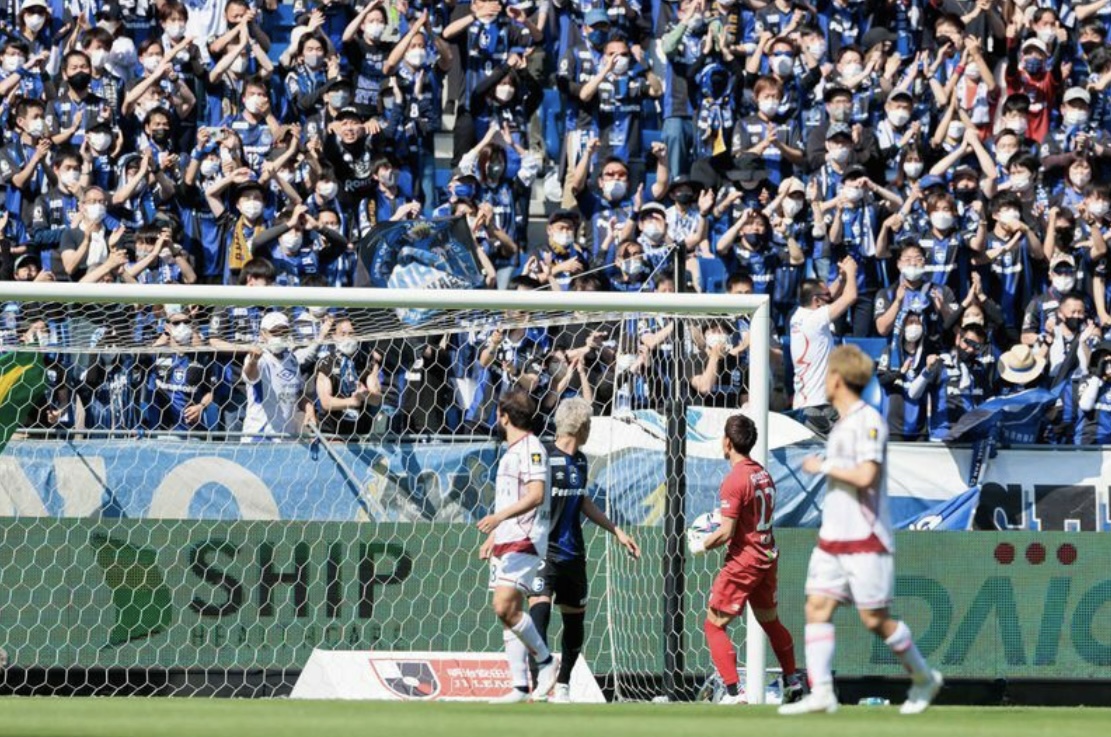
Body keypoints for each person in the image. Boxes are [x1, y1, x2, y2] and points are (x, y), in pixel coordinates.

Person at [781, 345, 943, 716]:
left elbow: (867, 475)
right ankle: (822, 692)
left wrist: (823, 467)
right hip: (833, 539)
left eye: (827, 374)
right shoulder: (842, 424)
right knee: (817, 606)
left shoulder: (868, 421)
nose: (824, 381)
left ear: (837, 379)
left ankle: (923, 677)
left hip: (866, 538)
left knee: (875, 620)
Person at [525, 397, 640, 704]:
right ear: (582, 427)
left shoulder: (580, 461)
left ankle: (562, 684)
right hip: (542, 551)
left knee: (574, 625)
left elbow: (583, 501)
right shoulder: (542, 456)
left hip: (573, 554)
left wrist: (616, 531)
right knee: (538, 614)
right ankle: (540, 681)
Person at [688, 413, 805, 706]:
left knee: (714, 626)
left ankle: (733, 693)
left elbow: (726, 532)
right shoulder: (763, 474)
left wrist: (702, 544)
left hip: (744, 561)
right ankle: (793, 682)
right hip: (766, 557)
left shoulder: (734, 480)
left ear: (727, 442)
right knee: (771, 622)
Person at [475, 388, 558, 703]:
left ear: (504, 416)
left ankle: (546, 661)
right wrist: (494, 534)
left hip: (525, 536)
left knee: (503, 606)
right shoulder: (512, 451)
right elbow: (511, 496)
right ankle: (520, 686)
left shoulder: (532, 448)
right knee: (508, 612)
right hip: (507, 537)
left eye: (498, 413)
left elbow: (536, 495)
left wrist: (498, 518)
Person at [789, 258, 859, 434]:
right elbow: (850, 297)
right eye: (826, 295)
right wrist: (851, 272)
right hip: (817, 409)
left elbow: (827, 295)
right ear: (817, 301)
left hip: (807, 404)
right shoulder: (815, 320)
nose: (831, 296)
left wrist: (841, 279)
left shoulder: (799, 316)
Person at [241, 311, 314, 442]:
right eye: (275, 332)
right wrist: (253, 361)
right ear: (263, 334)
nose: (280, 336)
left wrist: (309, 407)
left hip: (286, 436)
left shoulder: (292, 359)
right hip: (260, 436)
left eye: (284, 332)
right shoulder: (259, 358)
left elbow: (298, 393)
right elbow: (250, 377)